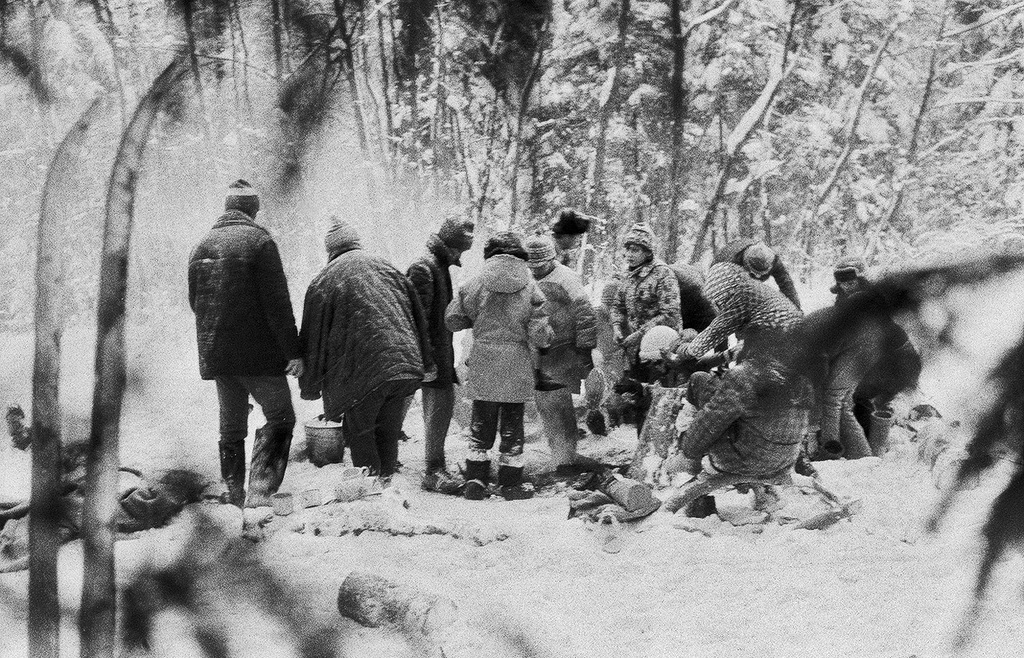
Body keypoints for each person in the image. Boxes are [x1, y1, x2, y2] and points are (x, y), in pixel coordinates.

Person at [188, 180, 304, 508]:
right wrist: (293, 352)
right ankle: (261, 492)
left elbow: (195, 302)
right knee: (281, 416)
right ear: (253, 210)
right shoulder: (259, 241)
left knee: (232, 425)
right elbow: (278, 303)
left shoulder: (201, 246)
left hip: (218, 356)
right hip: (258, 355)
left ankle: (235, 494)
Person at [298, 218, 433, 478]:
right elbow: (418, 317)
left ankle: (370, 494)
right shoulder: (389, 268)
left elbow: (312, 338)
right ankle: (386, 488)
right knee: (388, 434)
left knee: (361, 434)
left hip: (362, 374)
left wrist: (310, 386)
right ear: (357, 242)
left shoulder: (323, 281)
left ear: (331, 250)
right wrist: (426, 362)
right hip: (404, 368)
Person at [445, 232, 552, 500]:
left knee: (481, 422)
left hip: (483, 359)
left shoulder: (475, 283)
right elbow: (540, 335)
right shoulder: (530, 286)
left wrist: (478, 320)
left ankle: (476, 480)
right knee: (513, 426)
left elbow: (453, 320)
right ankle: (510, 483)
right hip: (516, 362)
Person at [682, 344, 815, 509]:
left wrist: (689, 453)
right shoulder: (802, 378)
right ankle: (763, 490)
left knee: (699, 380)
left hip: (742, 461)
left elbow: (709, 423)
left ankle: (699, 497)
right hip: (784, 462)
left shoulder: (745, 375)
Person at [406, 214, 476, 494]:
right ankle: (433, 470)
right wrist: (426, 360)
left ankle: (433, 465)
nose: (461, 254)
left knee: (441, 410)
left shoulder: (437, 264)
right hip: (429, 355)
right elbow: (416, 319)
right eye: (460, 248)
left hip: (437, 351)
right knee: (438, 411)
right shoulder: (424, 268)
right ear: (450, 245)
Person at [524, 234, 598, 473]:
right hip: (539, 350)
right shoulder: (525, 278)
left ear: (551, 259)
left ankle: (567, 457)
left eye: (540, 265)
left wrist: (585, 350)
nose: (535, 269)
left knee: (561, 403)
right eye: (531, 265)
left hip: (565, 349)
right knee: (544, 403)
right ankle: (559, 455)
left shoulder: (567, 278)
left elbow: (586, 314)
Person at [812, 256, 897, 459]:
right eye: (842, 282)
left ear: (861, 278)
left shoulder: (867, 298)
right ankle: (860, 455)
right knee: (843, 404)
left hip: (863, 351)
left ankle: (830, 450)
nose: (847, 286)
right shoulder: (848, 299)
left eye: (851, 281)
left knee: (832, 397)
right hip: (855, 351)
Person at [671, 261, 802, 368]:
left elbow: (715, 331)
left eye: (720, 301)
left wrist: (685, 351)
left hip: (781, 344)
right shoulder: (754, 289)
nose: (720, 306)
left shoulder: (741, 296)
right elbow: (740, 349)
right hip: (793, 340)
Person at [612, 223, 681, 384]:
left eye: (635, 250)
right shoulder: (628, 275)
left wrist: (639, 334)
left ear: (648, 252)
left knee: (660, 393)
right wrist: (616, 327)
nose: (629, 254)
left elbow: (670, 314)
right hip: (636, 350)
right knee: (636, 395)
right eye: (627, 249)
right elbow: (618, 305)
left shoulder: (663, 274)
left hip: (662, 349)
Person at [714, 239, 801, 309]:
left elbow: (787, 285)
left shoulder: (773, 260)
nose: (758, 276)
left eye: (761, 273)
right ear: (746, 264)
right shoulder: (730, 266)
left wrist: (796, 310)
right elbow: (723, 296)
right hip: (721, 270)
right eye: (755, 272)